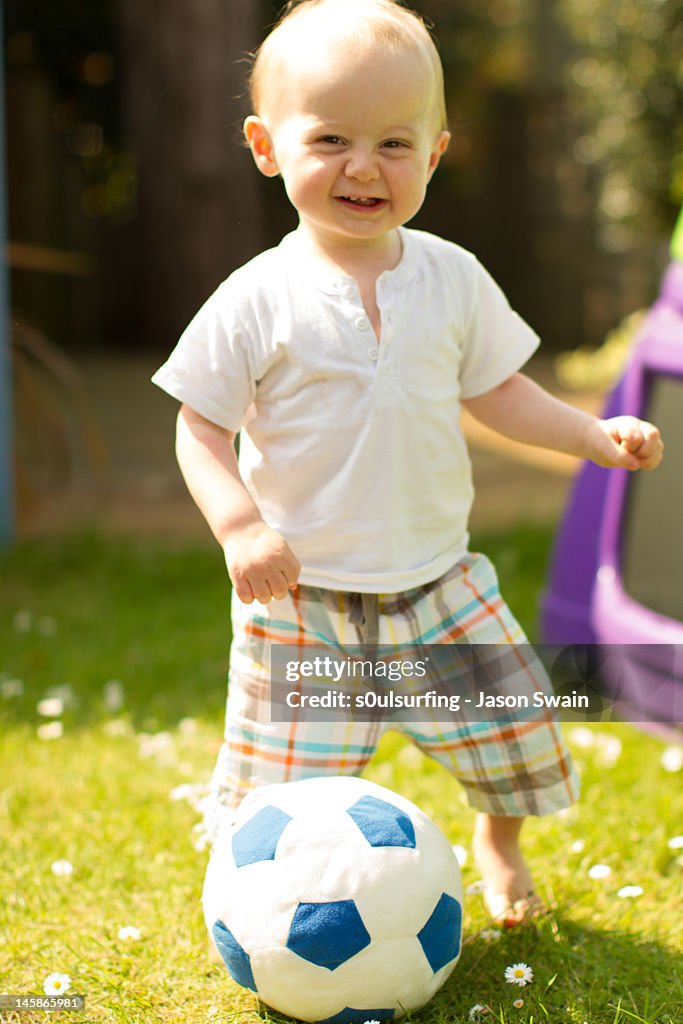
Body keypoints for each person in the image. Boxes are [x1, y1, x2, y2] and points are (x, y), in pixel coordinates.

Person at [152, 0, 663, 927]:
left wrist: (590, 436)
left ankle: (496, 846)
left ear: (433, 154)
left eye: (394, 143)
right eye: (332, 137)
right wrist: (239, 525)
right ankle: (264, 904)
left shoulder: (452, 278)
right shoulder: (254, 299)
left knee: (514, 736)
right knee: (277, 792)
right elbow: (198, 427)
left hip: (437, 584)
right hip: (301, 601)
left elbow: (498, 391)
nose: (363, 165)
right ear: (267, 146)